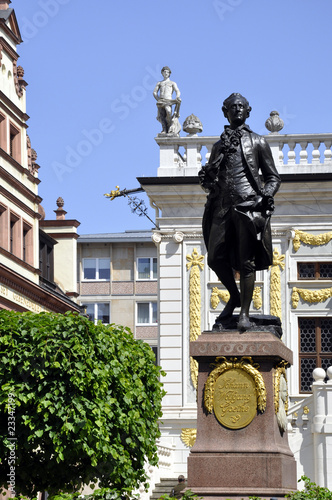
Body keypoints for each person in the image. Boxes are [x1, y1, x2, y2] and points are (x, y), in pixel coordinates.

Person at [199, 93, 281, 331]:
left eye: (241, 106)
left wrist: (265, 195)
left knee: (247, 262)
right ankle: (234, 297)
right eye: (232, 107)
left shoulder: (258, 141)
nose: (237, 110)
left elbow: (273, 177)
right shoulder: (218, 146)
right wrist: (206, 179)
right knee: (214, 257)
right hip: (221, 206)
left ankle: (244, 313)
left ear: (248, 110)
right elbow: (211, 182)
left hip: (247, 207)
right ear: (225, 112)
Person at [153, 66, 181, 135]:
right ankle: (164, 129)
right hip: (161, 100)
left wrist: (177, 97)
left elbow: (177, 91)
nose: (165, 73)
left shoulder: (172, 83)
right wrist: (158, 99)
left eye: (167, 72)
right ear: (162, 73)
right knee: (162, 115)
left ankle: (170, 126)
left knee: (168, 112)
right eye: (164, 72)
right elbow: (154, 92)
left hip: (168, 100)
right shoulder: (159, 83)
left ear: (169, 73)